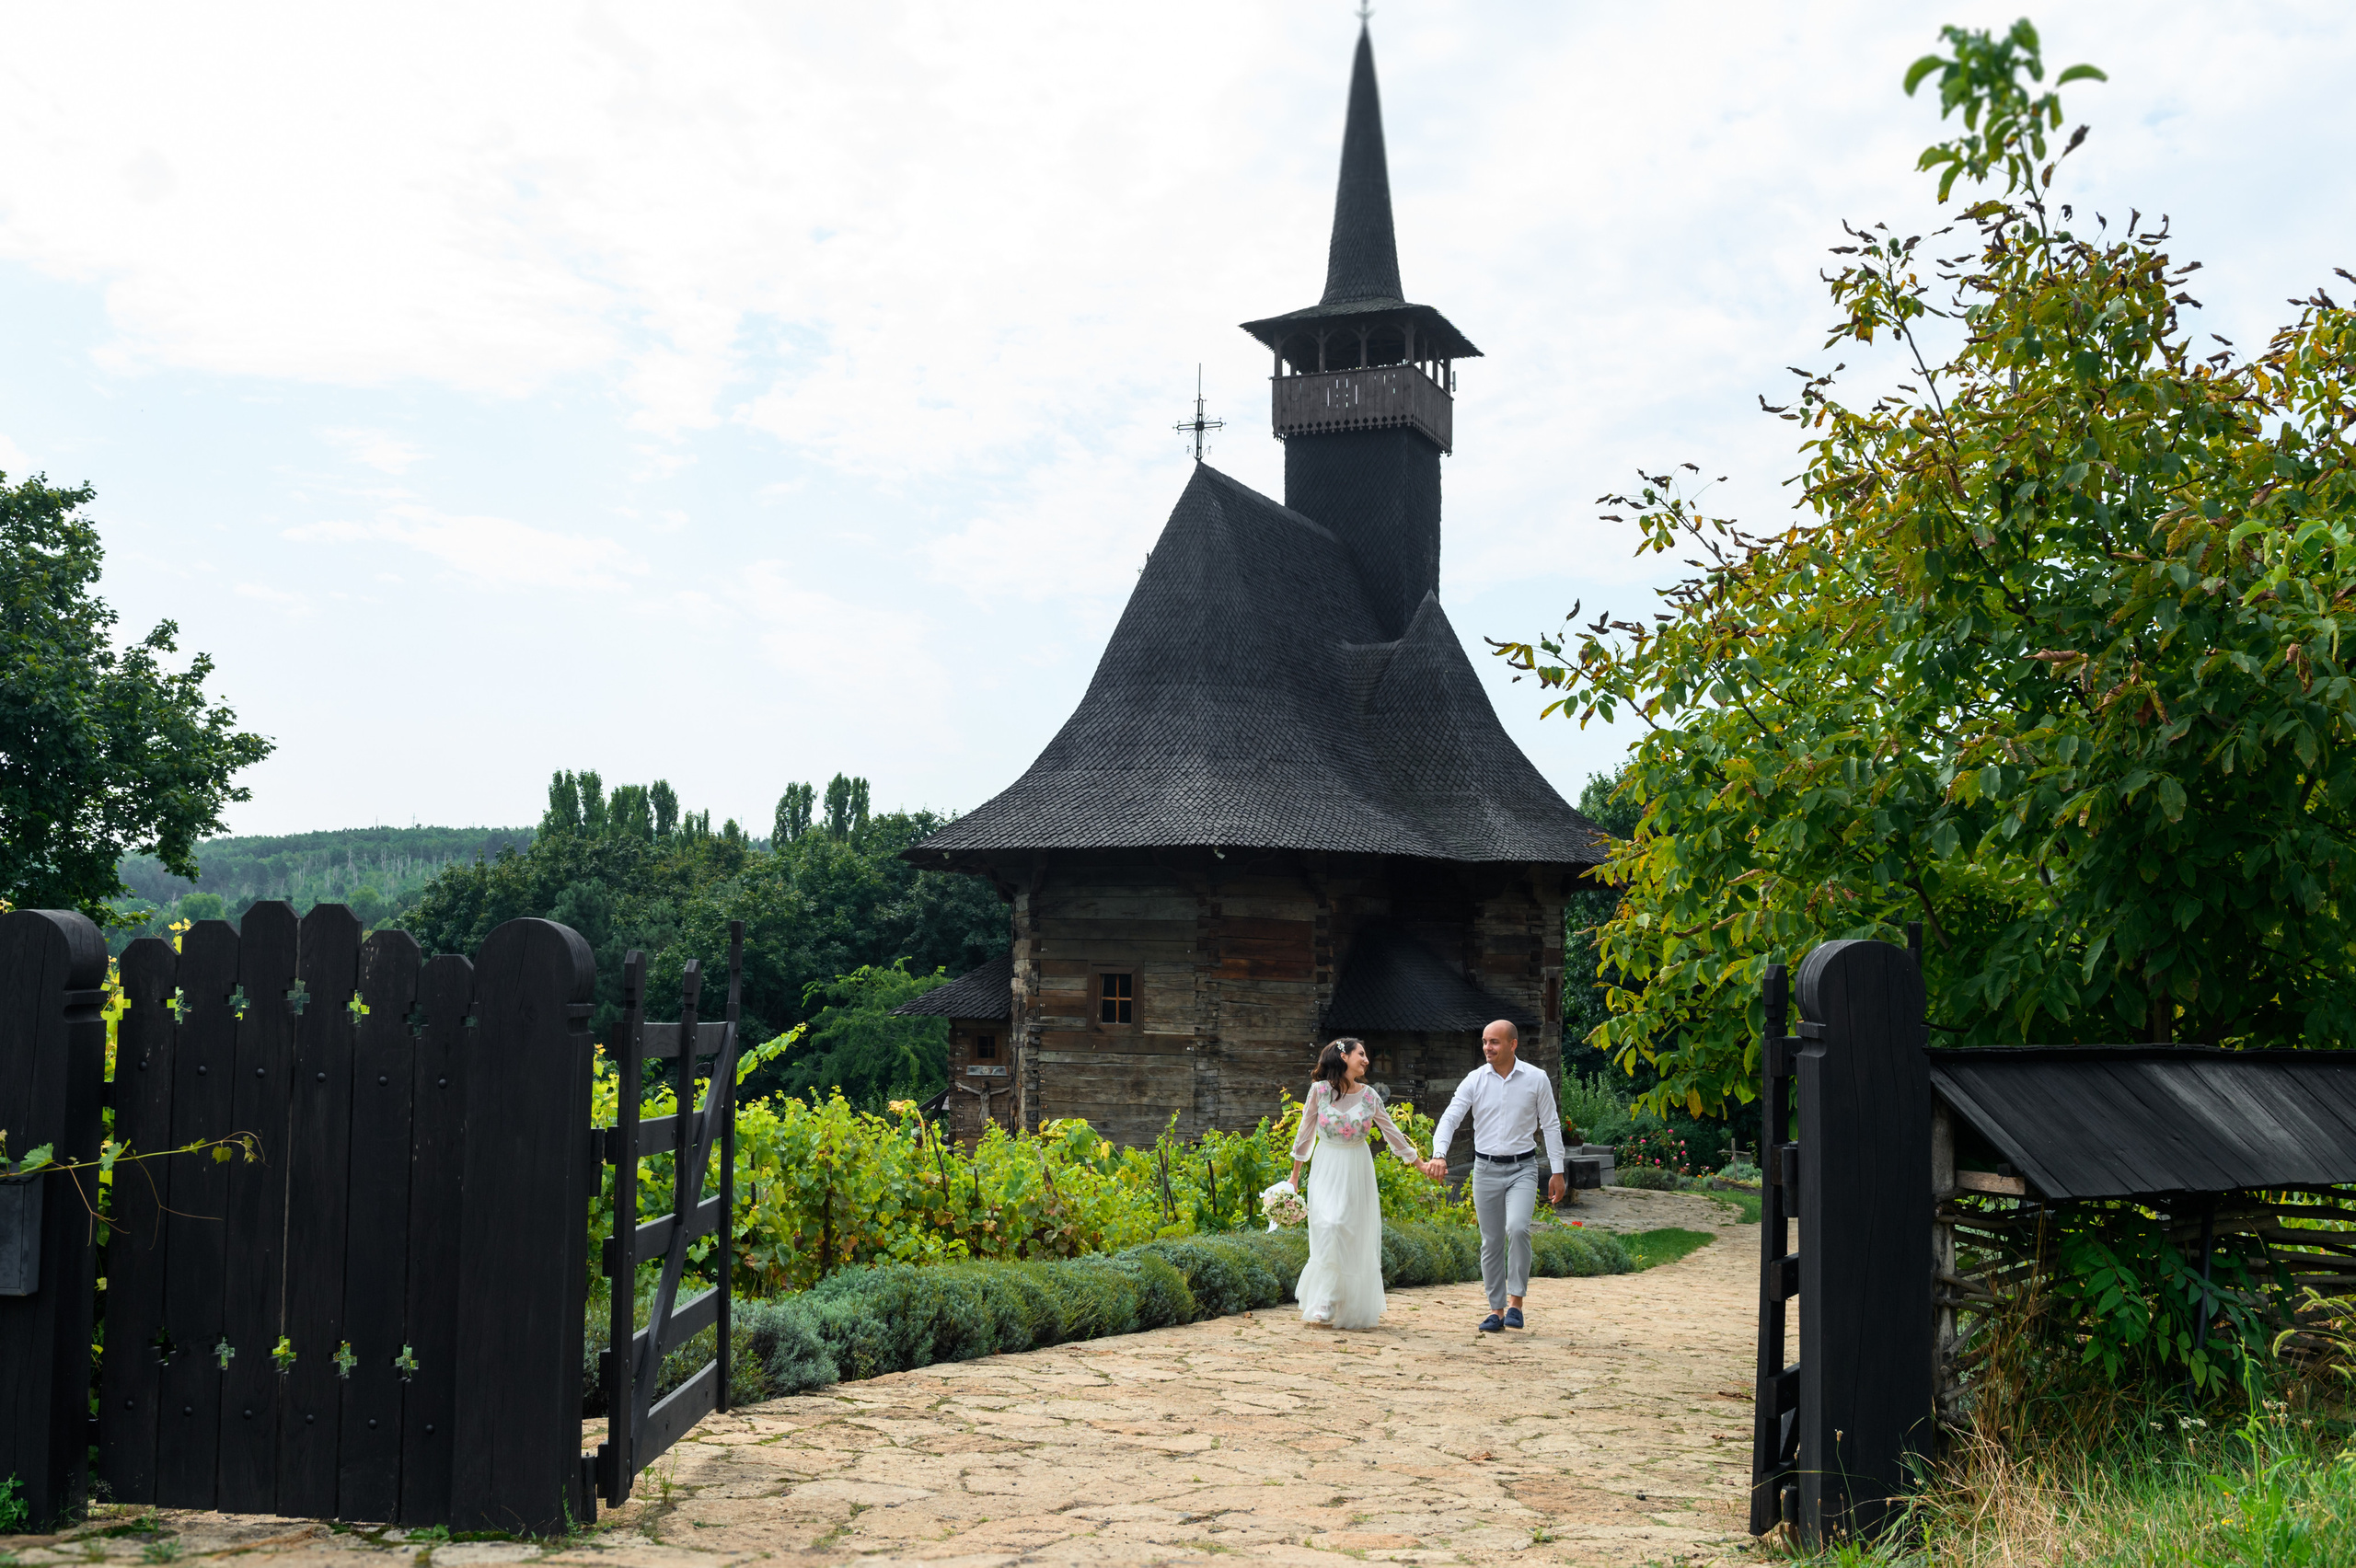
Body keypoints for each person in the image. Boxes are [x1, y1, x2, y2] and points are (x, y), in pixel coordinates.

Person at [1421, 1020, 1566, 1332]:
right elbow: (1450, 1117)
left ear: (1512, 1044)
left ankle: (1516, 1304)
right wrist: (1439, 1153)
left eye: (1494, 1042)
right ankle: (1496, 1311)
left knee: (1518, 1228)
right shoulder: (1475, 1080)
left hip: (1522, 1168)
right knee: (1491, 1241)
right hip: (1485, 1168)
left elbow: (1551, 1125)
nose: (1487, 1047)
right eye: (1485, 1042)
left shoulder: (1536, 1079)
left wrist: (1558, 1171)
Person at [1288, 1036, 1425, 1329]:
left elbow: (1392, 1133)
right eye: (1360, 1054)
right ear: (1343, 1057)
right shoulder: (1319, 1092)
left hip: (1356, 1168)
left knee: (1346, 1230)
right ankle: (1326, 1297)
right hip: (1326, 1165)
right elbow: (1304, 1133)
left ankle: (1340, 1297)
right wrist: (1294, 1177)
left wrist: (1419, 1162)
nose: (1366, 1060)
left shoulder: (1370, 1096)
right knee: (1328, 1225)